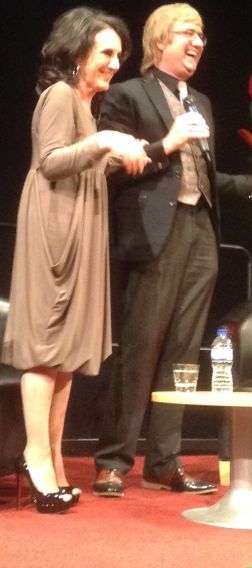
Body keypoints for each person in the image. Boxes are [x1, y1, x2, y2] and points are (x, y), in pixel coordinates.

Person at [93, 3, 252, 497]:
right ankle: (113, 461)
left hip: (201, 232)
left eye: (201, 36)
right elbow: (110, 167)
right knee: (140, 348)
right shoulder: (127, 94)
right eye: (187, 33)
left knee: (183, 352)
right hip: (156, 231)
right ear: (160, 40)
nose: (198, 42)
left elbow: (205, 178)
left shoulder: (201, 102)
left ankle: (163, 461)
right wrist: (168, 143)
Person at [1, 7, 149, 514]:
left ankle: (53, 459)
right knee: (46, 349)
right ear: (78, 52)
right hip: (54, 230)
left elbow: (84, 165)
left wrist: (117, 152)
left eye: (119, 55)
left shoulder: (86, 106)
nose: (115, 63)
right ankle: (36, 457)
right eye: (106, 52)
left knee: (64, 355)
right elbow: (50, 161)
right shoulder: (60, 96)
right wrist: (105, 141)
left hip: (79, 227)